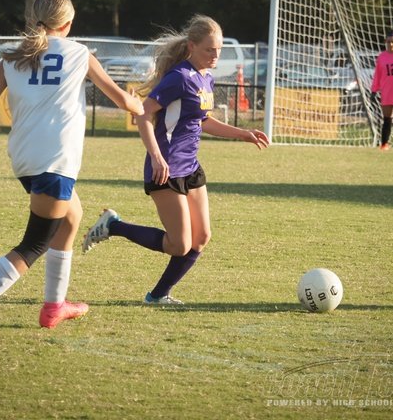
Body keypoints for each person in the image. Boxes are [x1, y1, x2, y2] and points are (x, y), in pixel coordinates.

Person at [0, 0, 144, 334]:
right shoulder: (79, 53)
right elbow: (123, 101)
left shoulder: (13, 57)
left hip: (25, 159)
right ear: (68, 24)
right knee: (34, 243)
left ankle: (55, 306)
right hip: (55, 160)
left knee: (72, 217)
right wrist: (139, 105)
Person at [82, 15, 269, 304]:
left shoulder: (206, 77)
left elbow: (202, 120)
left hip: (190, 167)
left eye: (219, 50)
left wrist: (242, 133)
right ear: (192, 46)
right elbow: (143, 114)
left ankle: (158, 296)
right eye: (209, 49)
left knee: (201, 237)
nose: (215, 55)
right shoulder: (179, 77)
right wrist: (156, 156)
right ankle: (113, 226)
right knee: (179, 244)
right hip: (166, 169)